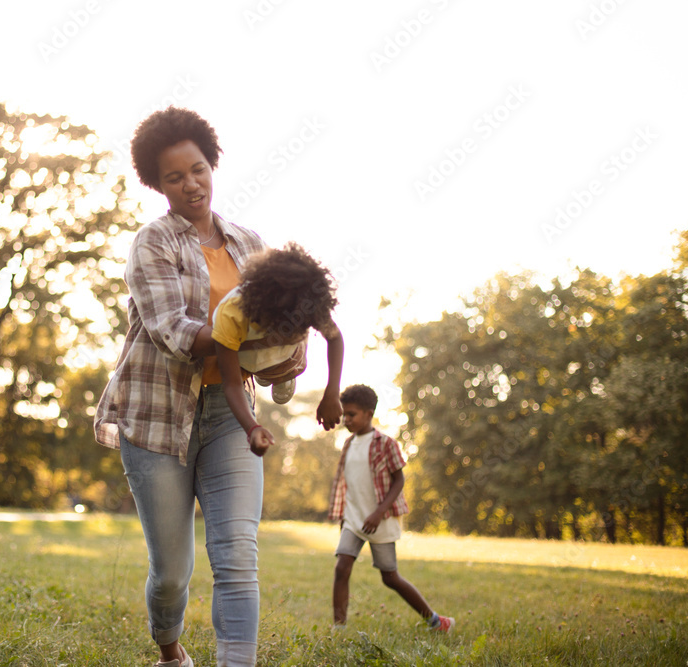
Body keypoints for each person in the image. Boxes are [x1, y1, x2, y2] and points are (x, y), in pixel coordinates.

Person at [93, 106, 306, 667]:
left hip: (231, 417)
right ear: (157, 184)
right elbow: (173, 332)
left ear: (212, 164)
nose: (191, 184)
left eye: (198, 169)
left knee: (237, 555)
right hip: (157, 417)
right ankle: (171, 653)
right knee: (172, 572)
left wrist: (288, 350)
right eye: (174, 176)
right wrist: (247, 337)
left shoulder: (248, 243)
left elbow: (265, 335)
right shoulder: (152, 243)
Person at [328, 384, 455, 632]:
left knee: (390, 578)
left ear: (368, 413)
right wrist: (345, 515)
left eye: (351, 414)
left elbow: (399, 480)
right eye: (344, 414)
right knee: (342, 567)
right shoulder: (347, 444)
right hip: (354, 520)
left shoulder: (386, 444)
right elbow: (349, 483)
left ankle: (436, 621)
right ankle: (339, 628)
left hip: (381, 519)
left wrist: (378, 512)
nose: (346, 420)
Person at [212, 242, 344, 455]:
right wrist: (252, 427)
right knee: (260, 369)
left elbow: (335, 339)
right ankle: (265, 375)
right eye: (285, 330)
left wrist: (332, 392)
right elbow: (233, 384)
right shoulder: (230, 314)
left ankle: (283, 377)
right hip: (248, 358)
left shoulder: (305, 303)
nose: (288, 334)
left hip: (289, 357)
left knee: (286, 367)